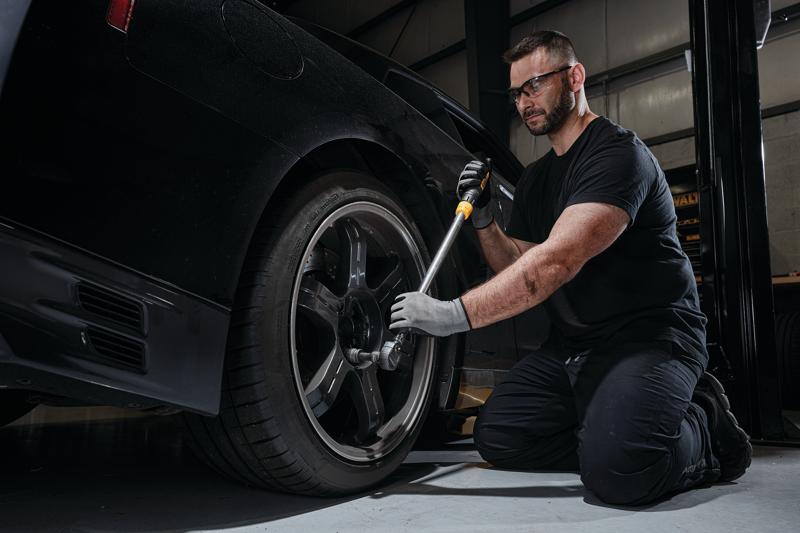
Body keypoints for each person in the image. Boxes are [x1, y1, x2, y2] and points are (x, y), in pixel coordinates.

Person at [389, 30, 752, 506]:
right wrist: (483, 221)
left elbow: (556, 262)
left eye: (534, 84)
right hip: (575, 348)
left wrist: (451, 314)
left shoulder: (618, 155)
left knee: (620, 474)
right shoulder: (538, 178)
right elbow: (517, 262)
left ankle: (703, 423)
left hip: (648, 338)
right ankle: (614, 427)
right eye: (517, 92)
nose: (524, 101)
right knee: (499, 437)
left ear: (574, 76)